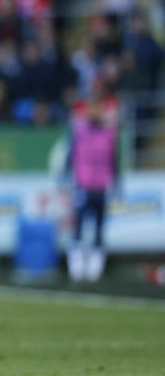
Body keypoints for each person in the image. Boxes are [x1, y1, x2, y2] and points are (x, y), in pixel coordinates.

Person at [65, 91, 120, 283]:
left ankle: (95, 267)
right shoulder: (79, 130)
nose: (95, 111)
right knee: (79, 225)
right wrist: (66, 177)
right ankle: (76, 266)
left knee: (98, 226)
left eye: (99, 108)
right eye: (93, 107)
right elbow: (69, 155)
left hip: (101, 185)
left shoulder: (109, 133)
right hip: (83, 183)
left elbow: (114, 159)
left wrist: (117, 182)